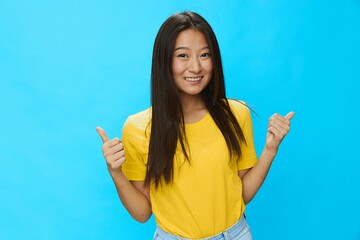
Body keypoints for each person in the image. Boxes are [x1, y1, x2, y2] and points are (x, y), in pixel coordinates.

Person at [96, 11, 294, 240]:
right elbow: (142, 213)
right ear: (164, 60)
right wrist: (116, 173)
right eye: (182, 55)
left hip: (235, 234)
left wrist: (270, 149)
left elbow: (242, 194)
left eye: (204, 54)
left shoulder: (235, 114)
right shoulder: (138, 127)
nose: (196, 67)